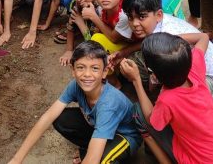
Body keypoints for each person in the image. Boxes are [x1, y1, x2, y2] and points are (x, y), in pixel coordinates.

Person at [8, 41, 142, 164]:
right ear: (73, 70)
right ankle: (91, 147)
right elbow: (47, 117)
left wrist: (91, 157)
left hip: (125, 136)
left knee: (102, 161)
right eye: (81, 67)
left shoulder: (109, 104)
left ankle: (107, 152)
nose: (87, 74)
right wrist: (16, 159)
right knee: (61, 118)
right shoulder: (76, 85)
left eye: (95, 68)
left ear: (104, 72)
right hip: (100, 125)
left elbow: (92, 161)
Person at [120, 33, 213, 164]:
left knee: (138, 113)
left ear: (154, 74)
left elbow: (151, 120)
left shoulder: (167, 99)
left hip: (196, 161)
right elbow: (203, 37)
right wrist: (173, 44)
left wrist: (136, 79)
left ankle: (159, 153)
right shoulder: (194, 66)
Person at [117, 0, 213, 101]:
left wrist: (153, 80)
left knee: (172, 100)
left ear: (159, 15)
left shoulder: (169, 35)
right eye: (130, 17)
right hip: (188, 68)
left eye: (141, 17)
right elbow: (148, 42)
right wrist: (123, 52)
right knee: (135, 59)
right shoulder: (157, 23)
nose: (134, 24)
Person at [59, 0, 98, 66]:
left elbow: (95, 44)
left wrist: (80, 23)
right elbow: (70, 27)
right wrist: (69, 50)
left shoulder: (101, 9)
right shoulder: (76, 4)